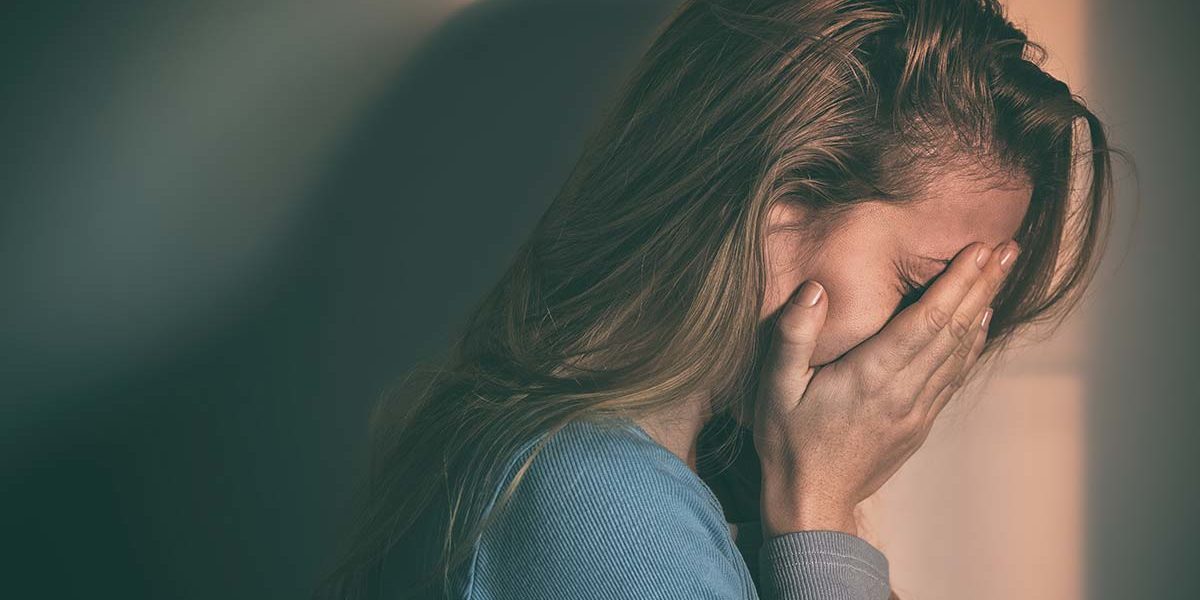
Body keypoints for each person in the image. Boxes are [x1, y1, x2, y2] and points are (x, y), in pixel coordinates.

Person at [314, 0, 1119, 598]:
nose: (937, 347)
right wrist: (820, 512)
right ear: (776, 206)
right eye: (923, 286)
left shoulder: (616, 476)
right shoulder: (596, 501)